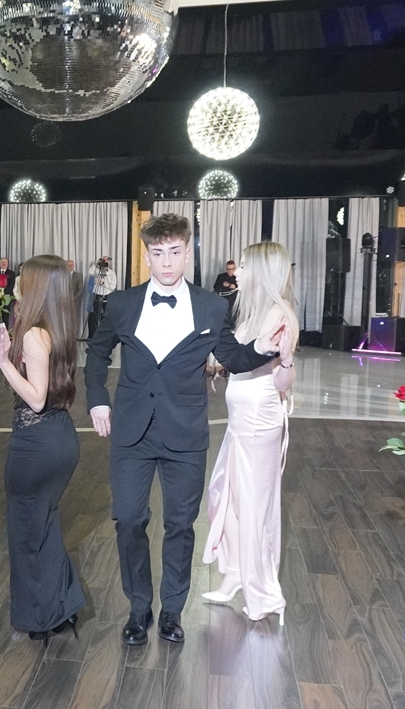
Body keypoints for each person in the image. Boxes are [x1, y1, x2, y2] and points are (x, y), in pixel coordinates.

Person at [85, 214, 279, 648]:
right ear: (147, 255)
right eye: (158, 253)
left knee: (180, 524)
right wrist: (97, 398)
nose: (167, 262)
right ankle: (139, 608)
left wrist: (261, 349)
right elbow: (96, 354)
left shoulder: (212, 306)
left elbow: (232, 357)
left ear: (188, 253)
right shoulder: (122, 303)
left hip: (185, 434)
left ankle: (172, 610)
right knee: (128, 519)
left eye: (175, 252)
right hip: (132, 432)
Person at [199, 242, 298, 626]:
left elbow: (283, 381)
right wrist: (221, 368)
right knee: (226, 498)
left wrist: (286, 361)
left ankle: (263, 594)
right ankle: (235, 574)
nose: (236, 270)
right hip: (240, 423)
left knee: (254, 510)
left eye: (243, 264)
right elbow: (243, 359)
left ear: (261, 270)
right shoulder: (253, 311)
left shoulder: (280, 315)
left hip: (258, 423)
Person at [0, 256, 85, 641]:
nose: (15, 284)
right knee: (43, 526)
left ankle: (42, 617)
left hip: (36, 445)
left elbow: (35, 398)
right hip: (60, 438)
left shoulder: (33, 334)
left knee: (28, 533)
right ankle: (61, 607)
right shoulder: (58, 329)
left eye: (21, 279)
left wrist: (2, 362)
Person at [86, 257, 117, 338]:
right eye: (104, 262)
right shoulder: (97, 271)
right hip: (97, 295)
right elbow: (90, 272)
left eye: (106, 262)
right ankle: (95, 336)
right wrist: (97, 262)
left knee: (106, 317)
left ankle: (106, 336)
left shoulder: (112, 273)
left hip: (107, 297)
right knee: (95, 317)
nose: (105, 263)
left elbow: (112, 287)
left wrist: (102, 283)